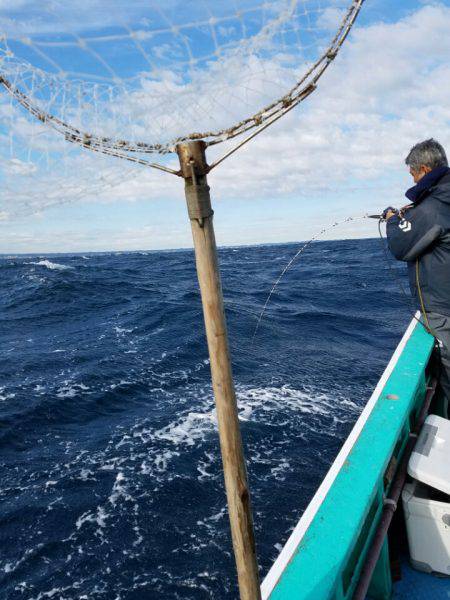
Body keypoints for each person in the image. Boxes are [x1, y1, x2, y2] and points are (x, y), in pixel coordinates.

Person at [384, 138, 450, 417]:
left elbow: (402, 245)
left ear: (423, 169)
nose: (411, 178)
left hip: (444, 310)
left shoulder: (434, 208)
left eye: (412, 173)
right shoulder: (440, 201)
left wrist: (391, 219)